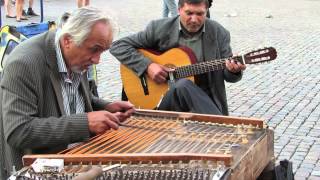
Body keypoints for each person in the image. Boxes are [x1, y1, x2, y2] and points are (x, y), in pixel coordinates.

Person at [0, 7, 135, 179]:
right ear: (67, 41)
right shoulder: (24, 63)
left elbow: (72, 99)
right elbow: (18, 131)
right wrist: (85, 124)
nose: (97, 60)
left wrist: (106, 106)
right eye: (94, 49)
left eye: (102, 51)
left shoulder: (78, 58)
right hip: (39, 168)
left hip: (80, 155)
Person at [110, 0, 246, 115]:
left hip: (206, 102)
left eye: (200, 14)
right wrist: (148, 66)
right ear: (179, 9)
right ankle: (223, 129)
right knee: (183, 85)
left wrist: (234, 70)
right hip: (164, 104)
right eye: (189, 13)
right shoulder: (159, 28)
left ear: (207, 11)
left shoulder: (219, 33)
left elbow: (228, 76)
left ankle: (218, 126)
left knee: (183, 86)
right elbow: (118, 46)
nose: (194, 19)